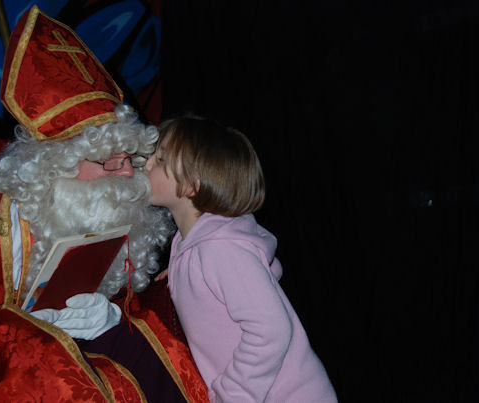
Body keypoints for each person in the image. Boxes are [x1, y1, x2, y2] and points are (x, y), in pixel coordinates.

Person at [0, 6, 207, 402]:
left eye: (130, 159)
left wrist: (112, 318)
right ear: (51, 166)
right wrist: (27, 331)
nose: (125, 175)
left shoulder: (100, 210)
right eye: (107, 161)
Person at [144, 116, 339, 402]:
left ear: (192, 185)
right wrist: (178, 274)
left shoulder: (220, 249)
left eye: (160, 159)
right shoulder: (193, 244)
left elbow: (271, 330)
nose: (147, 164)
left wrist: (233, 395)